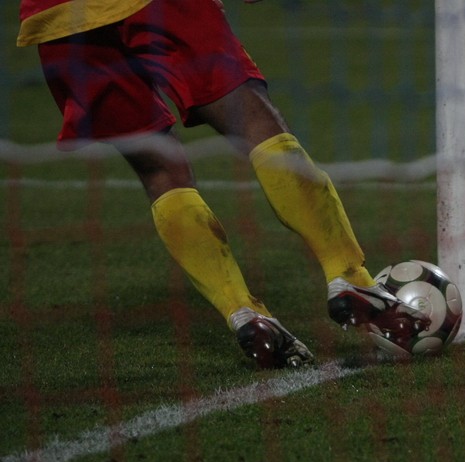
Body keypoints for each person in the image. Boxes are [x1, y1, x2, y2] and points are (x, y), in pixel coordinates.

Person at [17, 0, 428, 369]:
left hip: (58, 21)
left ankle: (244, 313)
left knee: (159, 169)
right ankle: (349, 275)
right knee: (254, 121)